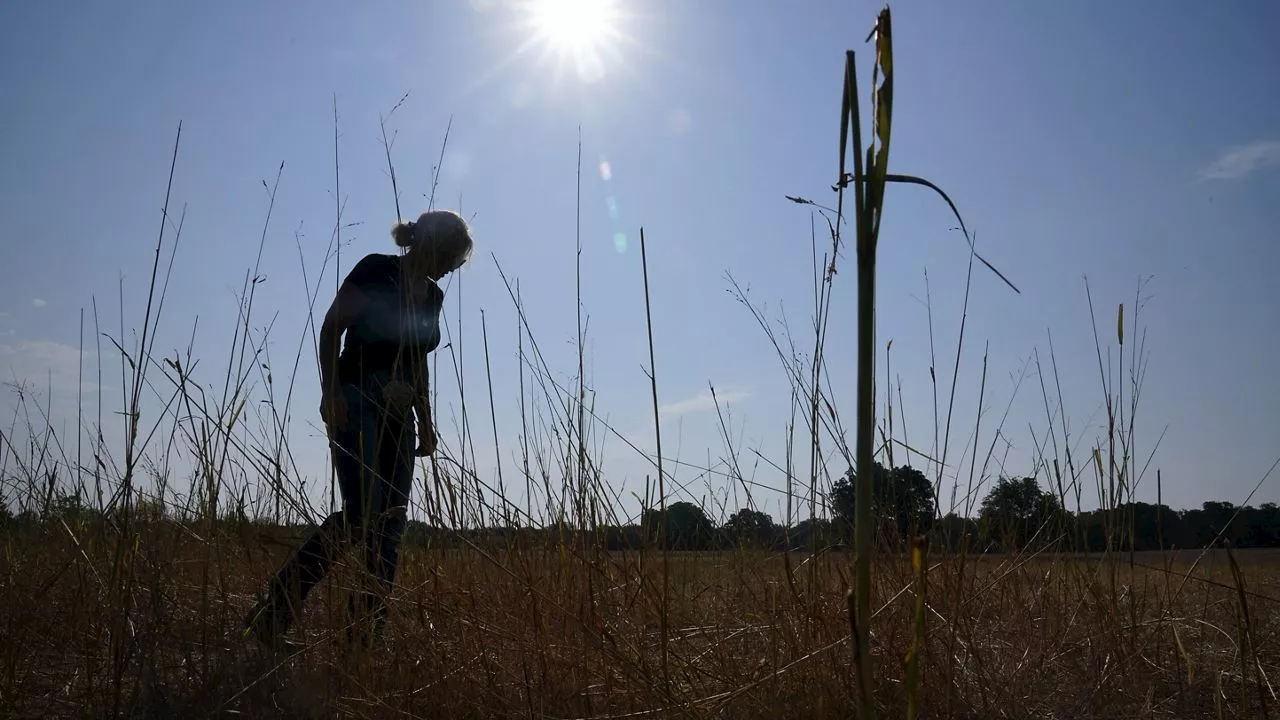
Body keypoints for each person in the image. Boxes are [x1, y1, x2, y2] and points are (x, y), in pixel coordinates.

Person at [244, 209, 473, 650]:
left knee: (391, 522)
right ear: (433, 247)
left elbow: (417, 359)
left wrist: (425, 420)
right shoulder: (375, 270)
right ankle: (275, 611)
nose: (452, 268)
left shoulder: (432, 296)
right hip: (358, 398)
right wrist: (330, 390)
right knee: (362, 515)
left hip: (399, 413)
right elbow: (333, 327)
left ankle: (365, 635)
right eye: (452, 258)